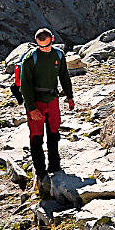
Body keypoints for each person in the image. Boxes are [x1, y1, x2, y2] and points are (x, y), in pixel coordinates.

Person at [20, 28, 74, 195]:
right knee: (36, 137)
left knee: (54, 132)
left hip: (53, 100)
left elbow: (64, 76)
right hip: (36, 102)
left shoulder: (58, 55)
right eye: (41, 46)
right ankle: (40, 169)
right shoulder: (30, 59)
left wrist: (70, 96)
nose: (45, 48)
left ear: (52, 39)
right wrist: (32, 108)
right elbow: (25, 86)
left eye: (47, 45)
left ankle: (54, 164)